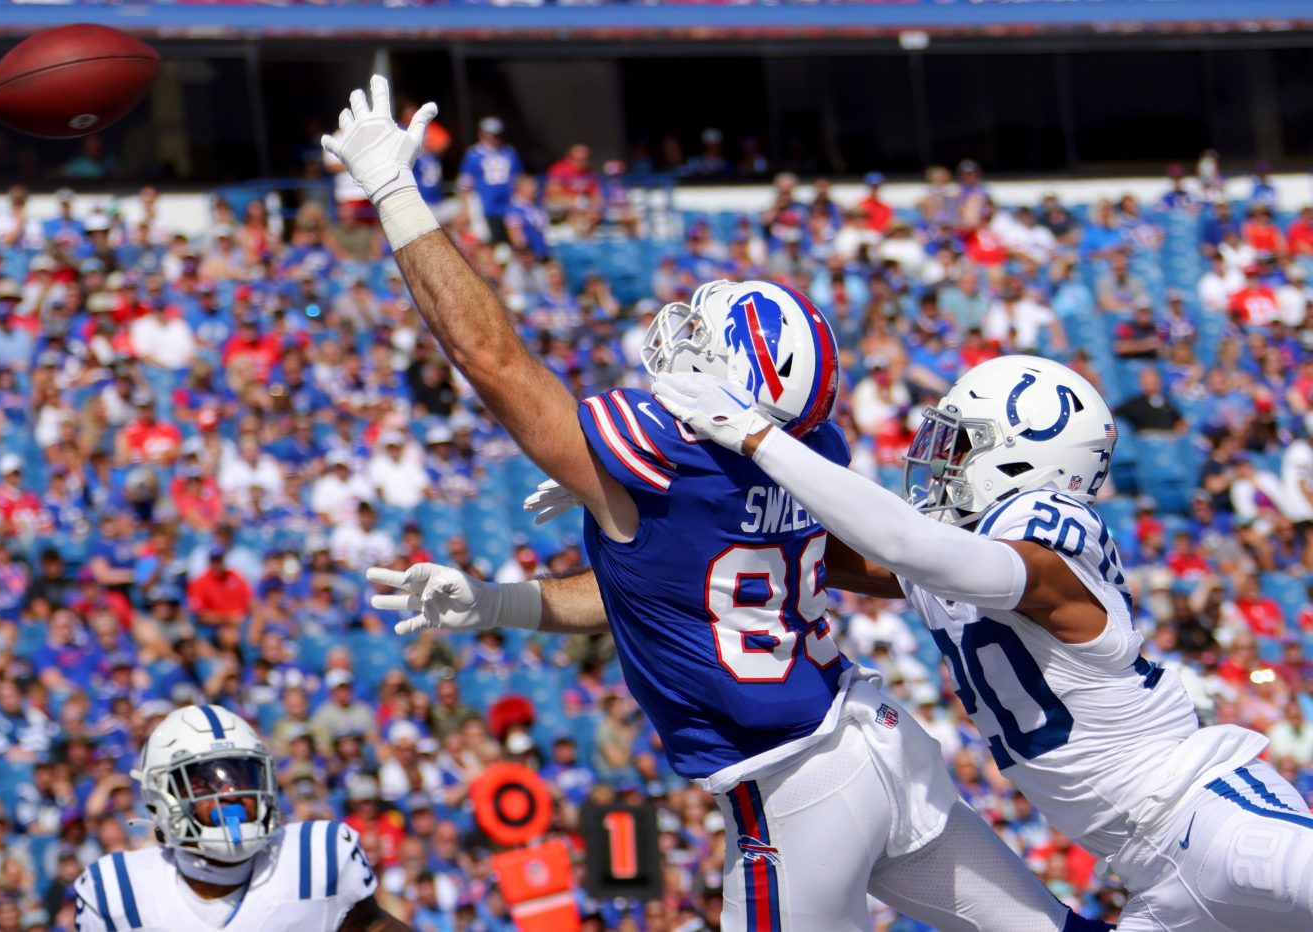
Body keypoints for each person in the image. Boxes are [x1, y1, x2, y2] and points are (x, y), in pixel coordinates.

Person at [325, 75, 1098, 932]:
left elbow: (492, 360)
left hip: (792, 782)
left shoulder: (660, 455)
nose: (682, 341)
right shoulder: (815, 453)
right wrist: (501, 601)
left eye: (704, 339)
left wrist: (396, 195)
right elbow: (669, 590)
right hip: (879, 740)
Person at [642, 354, 1313, 931]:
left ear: (1025, 459)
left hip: (1216, 822)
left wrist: (757, 436)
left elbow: (906, 544)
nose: (941, 460)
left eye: (964, 445)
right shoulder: (962, 560)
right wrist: (663, 498)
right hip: (1149, 873)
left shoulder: (1044, 556)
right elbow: (799, 551)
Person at [73, 704, 407, 931]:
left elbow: (373, 925)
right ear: (162, 795)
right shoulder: (118, 889)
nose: (231, 792)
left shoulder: (317, 857)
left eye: (243, 776)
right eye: (206, 781)